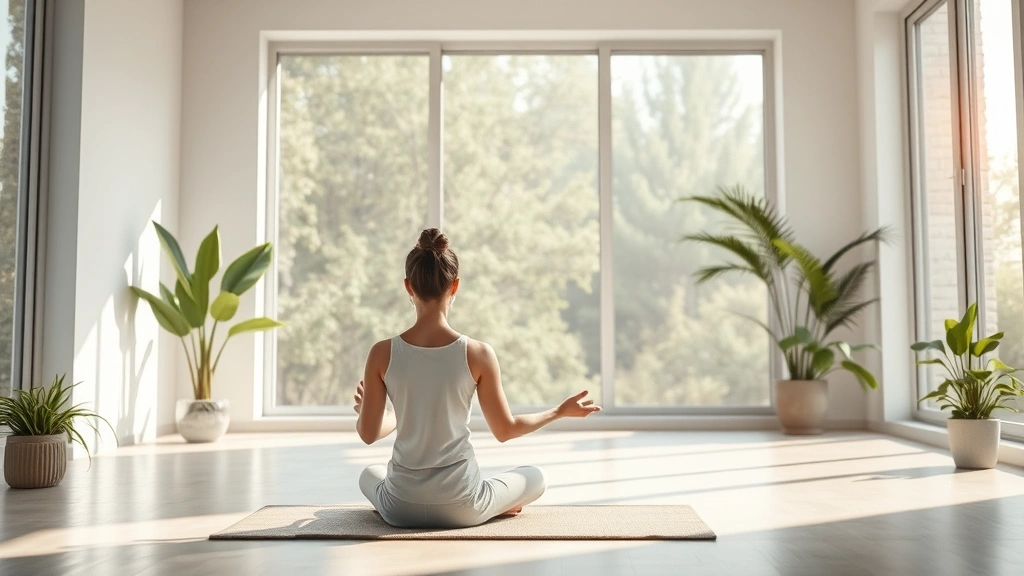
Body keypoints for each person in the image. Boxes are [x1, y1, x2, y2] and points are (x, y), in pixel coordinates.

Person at [353, 228, 601, 529]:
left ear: (408, 286)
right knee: (536, 477)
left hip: (399, 508)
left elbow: (368, 434)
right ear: (455, 286)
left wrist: (376, 412)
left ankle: (476, 504)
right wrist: (558, 412)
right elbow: (505, 430)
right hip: (462, 505)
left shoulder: (381, 353)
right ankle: (494, 506)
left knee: (369, 473)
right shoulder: (478, 354)